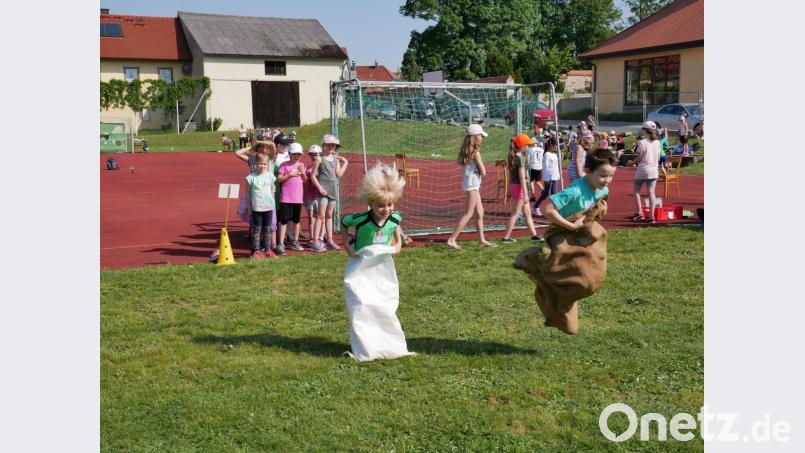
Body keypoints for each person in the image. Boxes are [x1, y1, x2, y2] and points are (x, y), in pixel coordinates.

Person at [516, 148, 617, 335]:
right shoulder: (575, 190)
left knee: (591, 278)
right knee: (580, 279)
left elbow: (601, 199)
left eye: (610, 176)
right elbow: (548, 210)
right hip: (563, 232)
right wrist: (570, 227)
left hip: (582, 232)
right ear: (587, 170)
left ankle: (562, 297)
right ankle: (535, 259)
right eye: (603, 176)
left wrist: (601, 208)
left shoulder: (603, 188)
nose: (607, 181)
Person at [340, 163, 415, 361]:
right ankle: (366, 345)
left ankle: (387, 342)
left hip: (382, 267)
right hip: (361, 267)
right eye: (381, 205)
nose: (386, 210)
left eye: (390, 205)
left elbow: (396, 224)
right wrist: (348, 247)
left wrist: (398, 242)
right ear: (370, 203)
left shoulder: (394, 216)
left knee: (384, 303)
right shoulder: (361, 219)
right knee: (361, 303)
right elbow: (344, 223)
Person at [445, 124, 496, 250]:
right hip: (472, 184)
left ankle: (481, 240)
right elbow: (483, 172)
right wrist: (481, 169)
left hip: (471, 183)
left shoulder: (467, 150)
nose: (482, 138)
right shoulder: (475, 152)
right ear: (475, 136)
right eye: (481, 136)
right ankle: (452, 239)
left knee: (480, 212)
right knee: (468, 213)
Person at [311, 134, 349, 251]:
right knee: (321, 215)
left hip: (333, 191)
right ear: (324, 145)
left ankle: (330, 240)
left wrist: (345, 163)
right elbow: (313, 176)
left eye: (334, 146)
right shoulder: (319, 159)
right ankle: (316, 241)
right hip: (323, 191)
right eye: (330, 145)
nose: (332, 147)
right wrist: (320, 188)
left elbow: (338, 174)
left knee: (329, 215)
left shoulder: (335, 159)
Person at [501, 134, 542, 243]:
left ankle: (534, 235)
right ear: (523, 146)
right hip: (520, 189)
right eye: (528, 145)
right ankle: (506, 237)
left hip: (516, 187)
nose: (529, 147)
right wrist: (525, 194)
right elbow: (522, 178)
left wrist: (510, 188)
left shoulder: (513, 156)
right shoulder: (521, 159)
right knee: (515, 213)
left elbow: (512, 176)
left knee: (527, 213)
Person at [275, 142, 307, 254]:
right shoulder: (284, 165)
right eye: (295, 154)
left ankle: (295, 241)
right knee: (284, 220)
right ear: (290, 154)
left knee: (296, 220)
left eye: (299, 154)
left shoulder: (302, 165)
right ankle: (281, 243)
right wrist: (290, 174)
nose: (297, 156)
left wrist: (303, 173)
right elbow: (279, 179)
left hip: (297, 198)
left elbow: (305, 180)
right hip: (286, 197)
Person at [628, 121, 662, 223]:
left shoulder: (642, 142)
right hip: (653, 170)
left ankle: (640, 213)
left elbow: (639, 158)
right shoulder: (657, 142)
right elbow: (659, 157)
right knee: (651, 192)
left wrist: (631, 163)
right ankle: (651, 216)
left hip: (643, 169)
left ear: (644, 130)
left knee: (636, 191)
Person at [245, 153, 276, 259]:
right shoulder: (250, 178)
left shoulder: (271, 176)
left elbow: (272, 188)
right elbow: (247, 194)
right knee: (257, 229)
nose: (262, 166)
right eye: (260, 163)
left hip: (268, 207)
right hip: (256, 208)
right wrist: (249, 207)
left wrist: (271, 201)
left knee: (267, 229)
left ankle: (268, 250)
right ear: (255, 164)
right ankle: (256, 251)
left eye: (264, 164)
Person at [532, 137, 560, 216]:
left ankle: (538, 207)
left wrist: (558, 176)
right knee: (548, 194)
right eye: (555, 145)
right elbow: (546, 167)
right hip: (549, 178)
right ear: (550, 145)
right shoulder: (547, 155)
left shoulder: (555, 155)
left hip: (555, 177)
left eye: (557, 146)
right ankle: (538, 207)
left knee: (552, 194)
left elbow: (556, 166)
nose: (556, 147)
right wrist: (546, 179)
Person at [303, 145, 323, 252]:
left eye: (316, 154)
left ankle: (320, 237)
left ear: (320, 154)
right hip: (311, 196)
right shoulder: (308, 168)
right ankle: (312, 237)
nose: (314, 156)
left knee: (321, 217)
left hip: (320, 197)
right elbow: (305, 184)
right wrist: (304, 197)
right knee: (311, 218)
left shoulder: (323, 167)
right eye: (312, 154)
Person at [526, 132, 545, 203]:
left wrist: (527, 165)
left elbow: (528, 159)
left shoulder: (530, 150)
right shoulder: (541, 150)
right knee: (538, 181)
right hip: (539, 167)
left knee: (531, 181)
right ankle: (543, 190)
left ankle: (533, 196)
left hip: (533, 167)